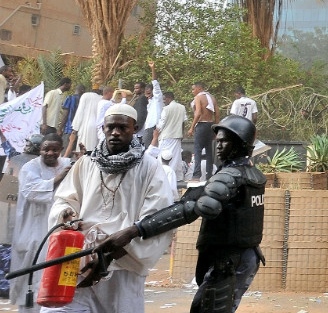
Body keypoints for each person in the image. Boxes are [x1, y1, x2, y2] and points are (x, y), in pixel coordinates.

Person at [98, 115, 266, 313]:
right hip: (246, 256)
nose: (218, 146)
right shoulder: (251, 174)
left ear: (240, 144)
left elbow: (187, 211)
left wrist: (135, 230)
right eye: (218, 141)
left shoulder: (229, 177)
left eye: (224, 141)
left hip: (228, 259)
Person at [43, 103, 173, 313]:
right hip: (81, 259)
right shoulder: (86, 163)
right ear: (103, 128)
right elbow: (64, 199)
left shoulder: (150, 167)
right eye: (110, 127)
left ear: (135, 128)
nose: (115, 132)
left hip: (123, 265)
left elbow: (156, 219)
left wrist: (109, 258)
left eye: (123, 128)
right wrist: (65, 214)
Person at [10, 133, 71, 312]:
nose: (50, 153)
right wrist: (59, 177)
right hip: (33, 230)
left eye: (54, 149)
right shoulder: (30, 168)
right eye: (46, 149)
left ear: (61, 149)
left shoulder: (66, 164)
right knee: (32, 272)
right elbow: (33, 192)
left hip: (57, 228)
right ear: (40, 150)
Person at [188, 82, 216, 181]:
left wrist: (192, 127)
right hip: (211, 125)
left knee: (198, 150)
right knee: (209, 151)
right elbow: (217, 113)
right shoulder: (212, 98)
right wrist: (216, 128)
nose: (192, 92)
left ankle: (196, 175)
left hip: (202, 124)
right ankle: (209, 174)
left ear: (199, 89)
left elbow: (198, 112)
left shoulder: (198, 98)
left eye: (193, 89)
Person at [157, 91, 187, 180]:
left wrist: (156, 131)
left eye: (164, 99)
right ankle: (176, 178)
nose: (164, 101)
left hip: (166, 137)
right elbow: (183, 122)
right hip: (177, 136)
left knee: (163, 157)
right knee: (176, 158)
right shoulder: (182, 107)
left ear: (169, 98)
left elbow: (161, 123)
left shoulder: (166, 109)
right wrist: (182, 133)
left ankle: (164, 177)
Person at [71, 90, 102, 158]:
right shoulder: (102, 98)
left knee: (82, 149)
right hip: (97, 127)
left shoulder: (85, 95)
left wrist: (75, 128)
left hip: (85, 126)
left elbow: (80, 112)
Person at [141, 61, 163, 147]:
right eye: (146, 94)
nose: (147, 96)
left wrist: (153, 69)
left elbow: (155, 83)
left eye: (149, 93)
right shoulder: (148, 102)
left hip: (153, 127)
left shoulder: (157, 99)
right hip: (147, 127)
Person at [59, 85, 86, 150]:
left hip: (69, 129)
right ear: (82, 91)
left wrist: (60, 128)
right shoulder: (84, 100)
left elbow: (65, 115)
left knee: (66, 151)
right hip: (80, 131)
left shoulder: (70, 98)